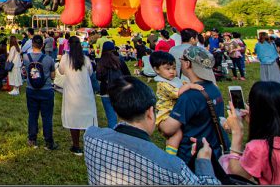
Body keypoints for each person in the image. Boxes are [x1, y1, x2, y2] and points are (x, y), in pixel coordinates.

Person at [84, 76, 220, 185]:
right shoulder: (174, 168)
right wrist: (203, 160)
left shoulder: (90, 136)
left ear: (115, 110)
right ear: (150, 112)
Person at [160, 46, 230, 163]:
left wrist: (159, 120)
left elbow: (168, 129)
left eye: (182, 60)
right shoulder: (214, 88)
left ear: (187, 64)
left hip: (192, 155)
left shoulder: (190, 96)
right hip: (212, 150)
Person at [222, 81, 280, 185]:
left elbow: (238, 174)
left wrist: (237, 132)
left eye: (250, 104)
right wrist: (255, 122)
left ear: (259, 111)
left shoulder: (259, 148)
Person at [149, 51, 204, 156]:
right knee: (177, 134)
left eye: (174, 68)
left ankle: (171, 150)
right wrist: (189, 86)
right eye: (167, 69)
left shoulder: (174, 80)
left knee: (175, 135)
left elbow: (183, 84)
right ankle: (170, 156)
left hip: (174, 112)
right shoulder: (162, 84)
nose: (172, 72)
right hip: (165, 114)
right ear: (157, 70)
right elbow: (177, 93)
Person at [58, 36, 97, 156]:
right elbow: (90, 72)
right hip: (85, 91)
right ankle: (88, 145)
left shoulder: (66, 58)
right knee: (87, 118)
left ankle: (76, 145)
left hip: (72, 92)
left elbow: (61, 71)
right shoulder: (85, 59)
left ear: (69, 45)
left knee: (74, 118)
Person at [22, 35, 57, 150]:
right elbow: (53, 76)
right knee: (47, 116)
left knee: (32, 115)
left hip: (31, 89)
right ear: (42, 45)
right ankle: (49, 141)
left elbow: (25, 72)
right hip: (46, 90)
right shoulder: (49, 59)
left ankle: (32, 139)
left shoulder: (26, 58)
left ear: (32, 45)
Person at [96, 41, 130, 128]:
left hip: (105, 91)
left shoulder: (100, 62)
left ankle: (113, 132)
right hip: (119, 90)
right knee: (124, 115)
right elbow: (127, 75)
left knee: (111, 117)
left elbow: (98, 77)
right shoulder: (119, 60)